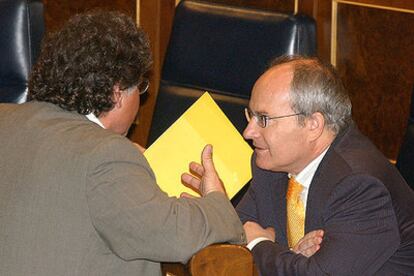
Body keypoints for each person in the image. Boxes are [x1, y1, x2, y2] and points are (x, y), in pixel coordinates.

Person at [0, 11, 245, 276]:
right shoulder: (104, 154)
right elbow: (175, 235)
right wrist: (216, 200)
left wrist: (129, 170)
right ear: (117, 93)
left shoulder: (5, 118)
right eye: (140, 88)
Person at [236, 55, 414, 275]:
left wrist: (258, 244)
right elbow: (237, 229)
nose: (248, 132)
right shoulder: (270, 164)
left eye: (263, 119)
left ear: (313, 125)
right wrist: (289, 254)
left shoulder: (360, 185)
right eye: (250, 115)